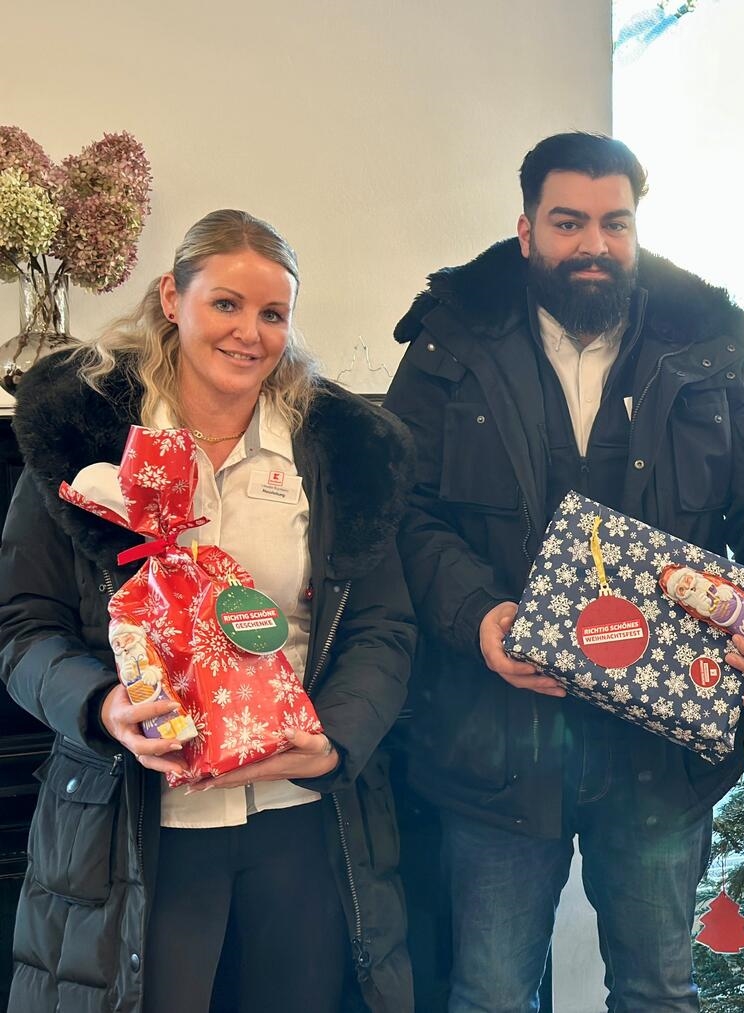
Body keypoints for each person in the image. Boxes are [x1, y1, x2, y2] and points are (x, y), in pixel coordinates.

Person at [384, 132, 744, 1012]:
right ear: (526, 231)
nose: (593, 245)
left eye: (614, 223)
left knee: (658, 992)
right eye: (568, 222)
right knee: (487, 993)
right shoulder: (449, 343)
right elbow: (399, 512)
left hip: (659, 756)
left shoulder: (708, 347)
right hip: (494, 738)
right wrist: (477, 615)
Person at [0, 209, 418, 1012]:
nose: (249, 334)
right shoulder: (80, 443)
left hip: (299, 815)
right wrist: (101, 704)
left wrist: (333, 739)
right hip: (139, 821)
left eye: (272, 314)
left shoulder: (335, 456)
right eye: (225, 304)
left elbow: (383, 627)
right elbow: (22, 627)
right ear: (171, 297)